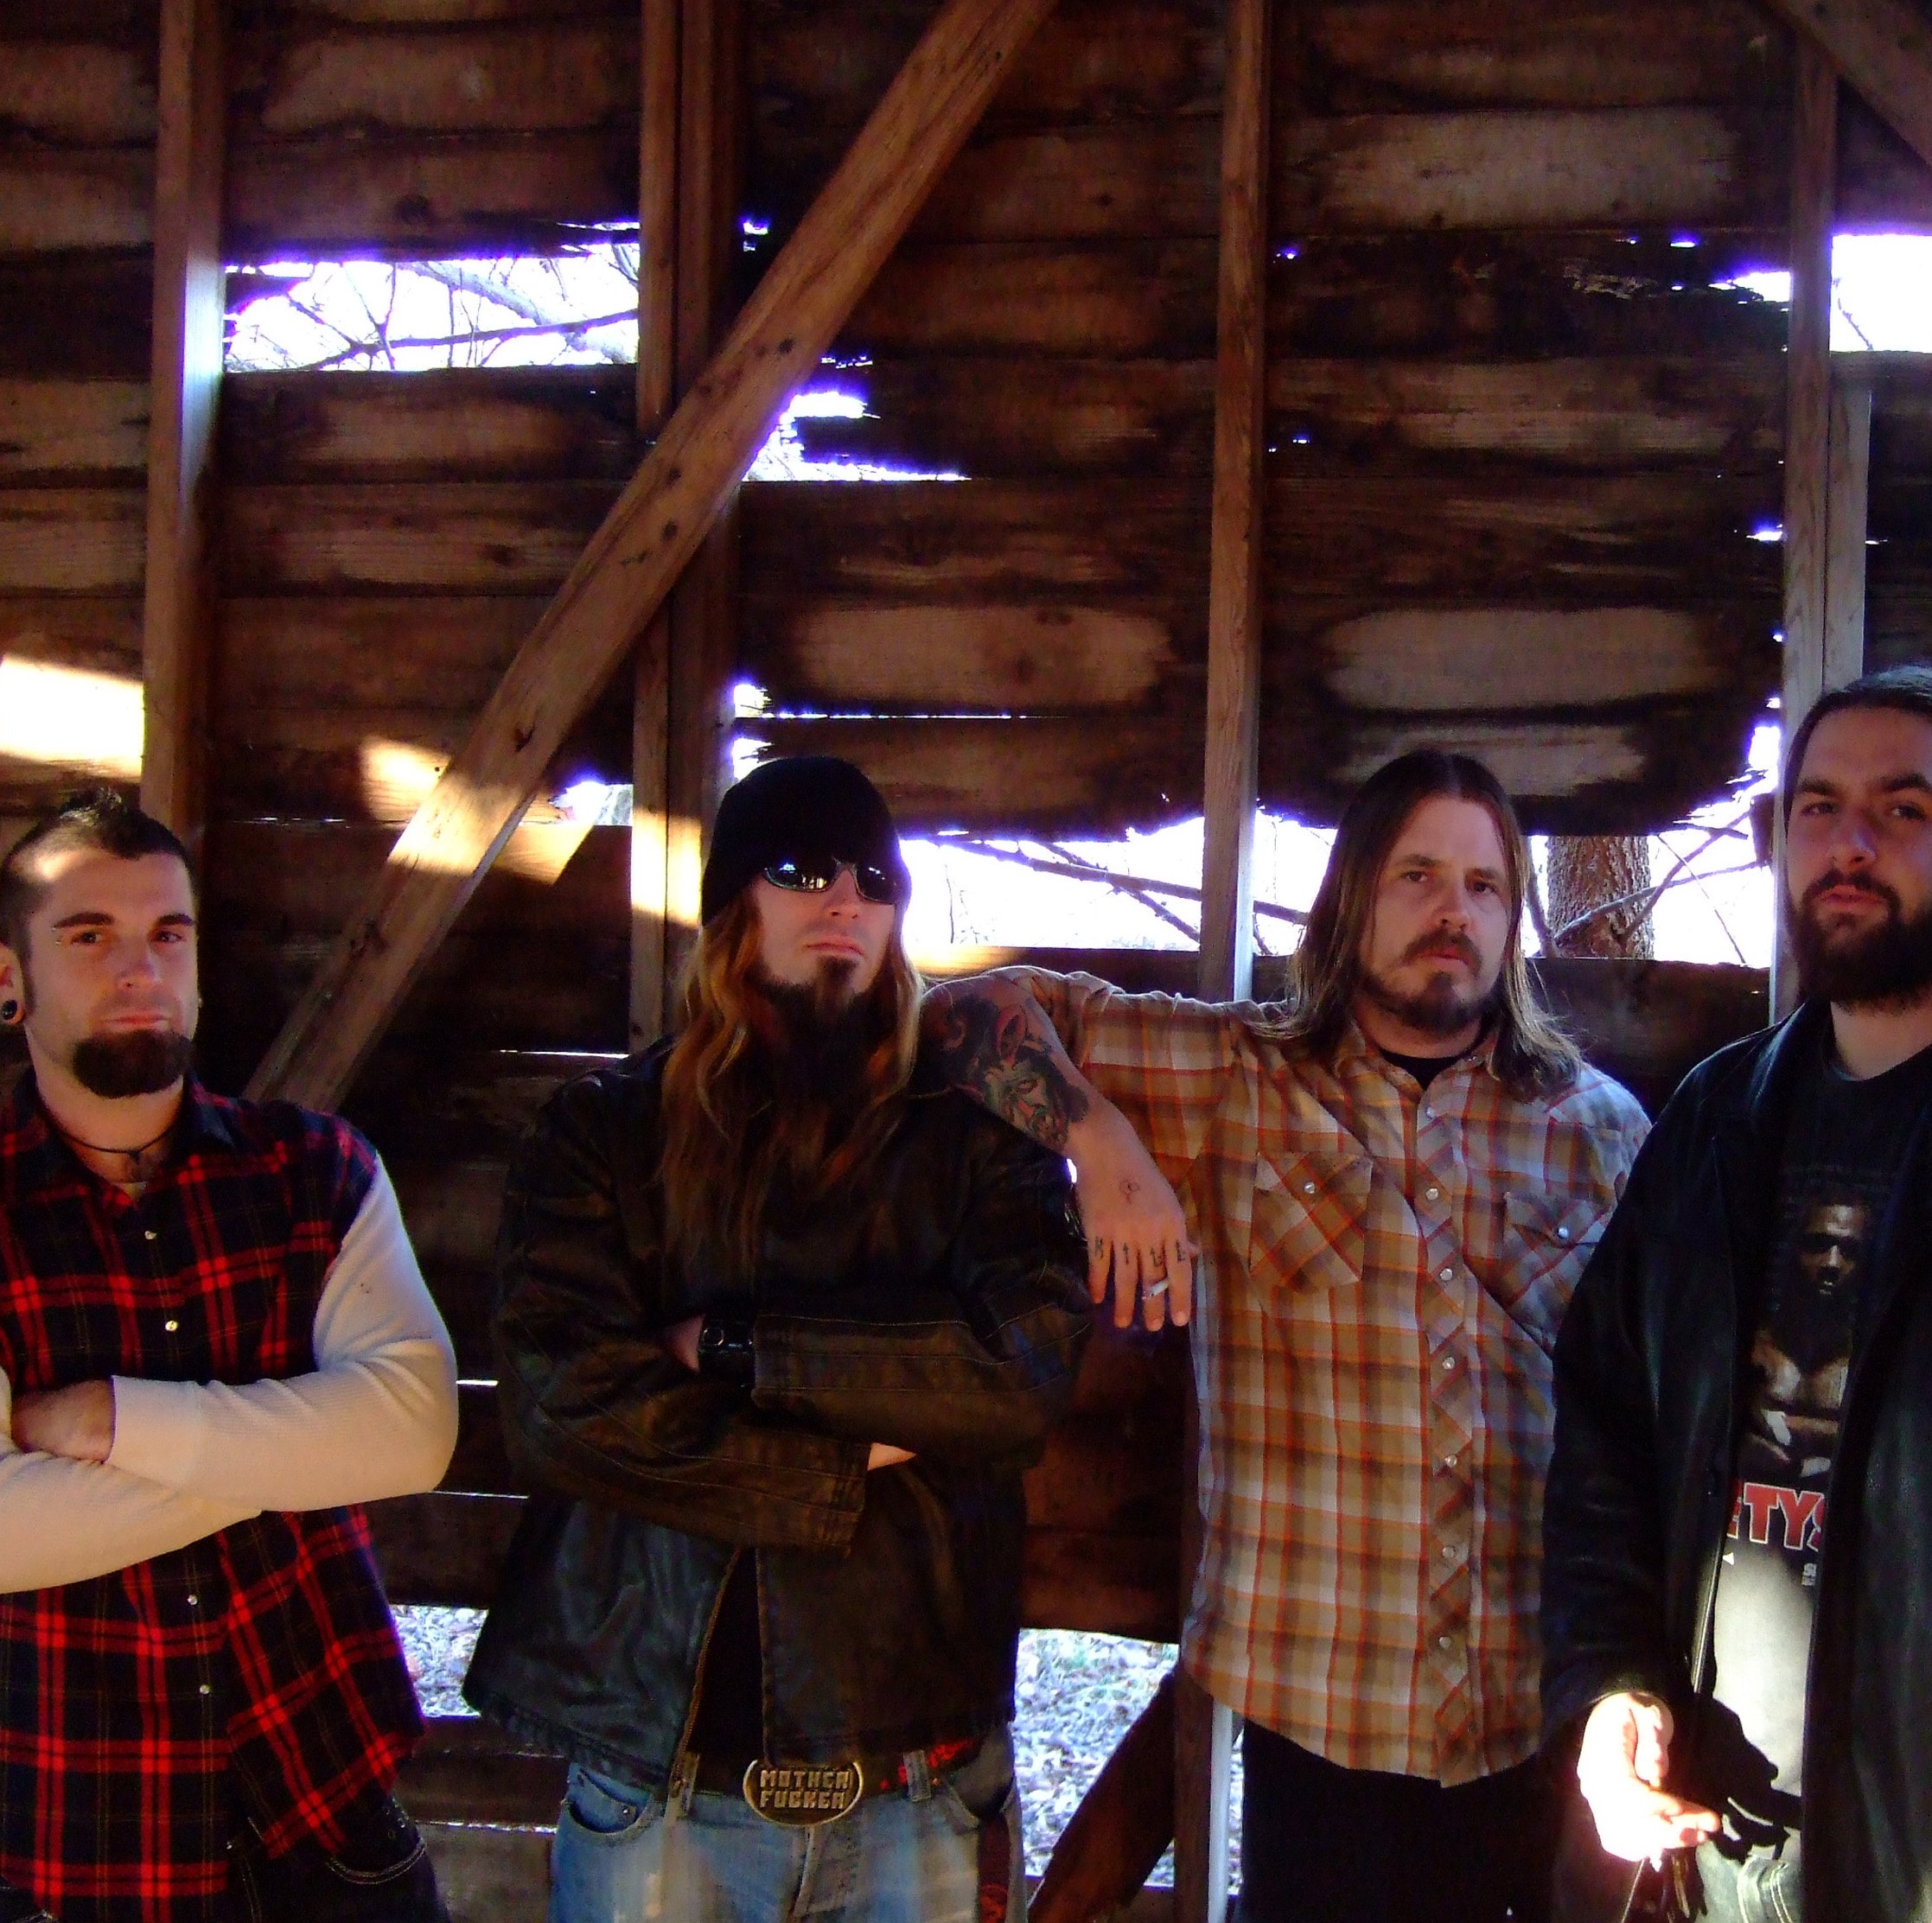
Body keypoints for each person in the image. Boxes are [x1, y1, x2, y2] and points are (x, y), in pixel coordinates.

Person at [924, 749, 1651, 1923]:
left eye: (1484, 885)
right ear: (1352, 896)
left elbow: (1656, 1415)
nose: (1453, 911)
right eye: (1418, 875)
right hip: (1316, 1722)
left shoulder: (1599, 1127)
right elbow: (963, 1012)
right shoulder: (1236, 1079)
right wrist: (1100, 1142)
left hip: (1535, 1727)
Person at [1539, 668, 1932, 1923]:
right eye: (1817, 807)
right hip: (1709, 1851)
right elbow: (1604, 1437)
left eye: (1901, 809)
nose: (1849, 843)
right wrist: (1608, 1689)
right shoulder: (1715, 1123)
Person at [463, 755, 1094, 1923]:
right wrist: (842, 1462)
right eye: (805, 868)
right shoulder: (601, 1133)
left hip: (922, 1784)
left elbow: (1021, 1370)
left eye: (875, 877)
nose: (847, 898)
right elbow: (561, 1407)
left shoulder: (978, 1141)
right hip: (661, 1790)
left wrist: (734, 1345)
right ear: (731, 906)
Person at [0, 789, 458, 1923]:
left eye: (169, 933)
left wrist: (112, 1420)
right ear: (9, 978)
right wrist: (306, 1440)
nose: (139, 967)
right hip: (72, 1847)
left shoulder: (314, 1171)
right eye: (89, 935)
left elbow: (414, 1434)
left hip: (332, 1821)